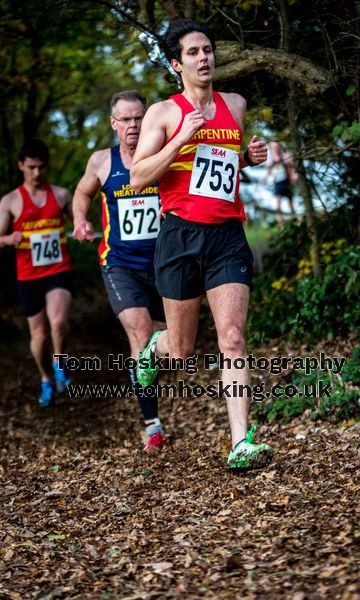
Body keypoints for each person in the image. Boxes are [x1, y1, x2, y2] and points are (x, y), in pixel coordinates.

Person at [130, 19, 273, 471]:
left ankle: (240, 441)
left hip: (227, 235)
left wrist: (246, 159)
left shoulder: (235, 103)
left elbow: (221, 169)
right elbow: (137, 177)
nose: (204, 57)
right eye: (192, 53)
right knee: (182, 349)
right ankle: (154, 349)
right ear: (177, 64)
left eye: (207, 49)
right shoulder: (163, 113)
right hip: (179, 237)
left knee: (232, 337)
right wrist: (181, 139)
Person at [72, 90, 166, 453]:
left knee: (166, 343)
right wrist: (80, 219)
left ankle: (149, 398)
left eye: (138, 117)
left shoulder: (161, 156)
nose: (133, 125)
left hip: (162, 264)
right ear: (113, 124)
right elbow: (82, 193)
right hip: (120, 263)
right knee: (141, 333)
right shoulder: (102, 162)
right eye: (125, 119)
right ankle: (152, 425)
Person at [0, 139, 73, 407]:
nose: (37, 173)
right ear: (21, 166)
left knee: (57, 322)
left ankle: (59, 366)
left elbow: (80, 224)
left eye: (41, 167)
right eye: (31, 167)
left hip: (58, 269)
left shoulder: (62, 195)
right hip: (28, 275)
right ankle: (45, 378)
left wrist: (84, 229)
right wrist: (9, 239)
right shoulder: (10, 201)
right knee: (39, 336)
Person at [266, 141, 298, 226]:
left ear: (280, 147)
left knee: (290, 201)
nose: (276, 149)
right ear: (271, 149)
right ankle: (281, 224)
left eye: (277, 147)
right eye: (273, 147)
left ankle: (293, 221)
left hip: (287, 181)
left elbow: (293, 168)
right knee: (277, 202)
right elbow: (268, 173)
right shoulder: (270, 159)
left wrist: (294, 175)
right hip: (277, 183)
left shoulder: (286, 156)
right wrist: (267, 180)